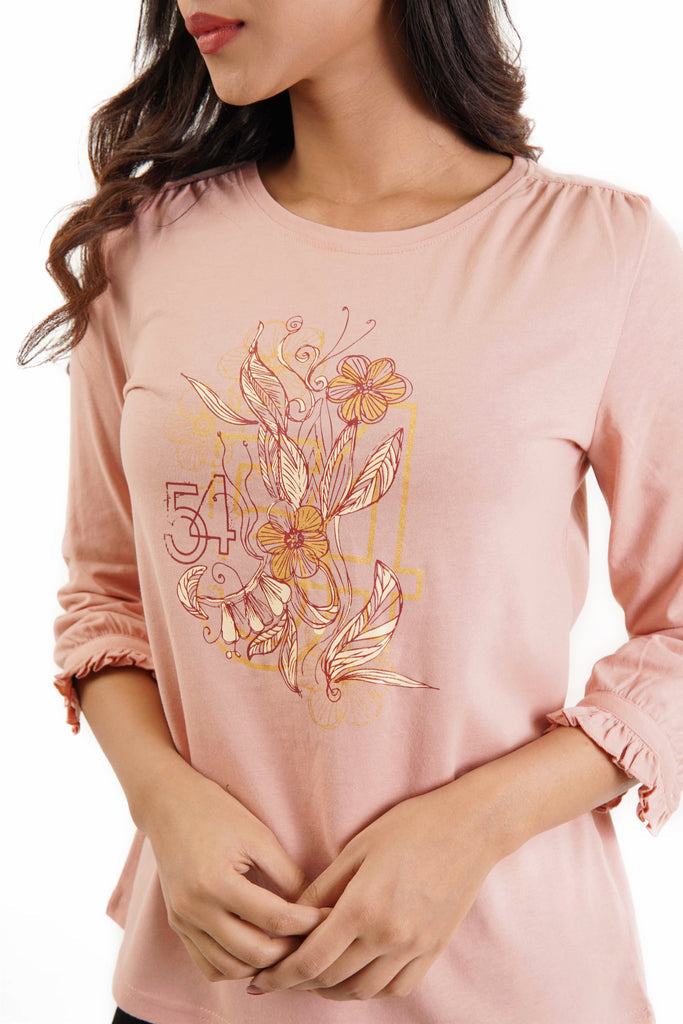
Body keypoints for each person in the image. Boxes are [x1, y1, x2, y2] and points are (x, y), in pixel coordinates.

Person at [17, 0, 683, 1021]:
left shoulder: (599, 251)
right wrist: (165, 801)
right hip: (202, 986)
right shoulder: (145, 246)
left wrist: (474, 827)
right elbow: (105, 597)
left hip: (512, 984)